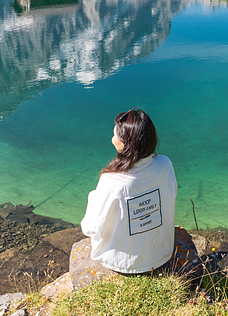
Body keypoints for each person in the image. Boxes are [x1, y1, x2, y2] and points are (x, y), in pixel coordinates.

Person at [81, 108, 201, 281]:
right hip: (162, 252)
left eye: (115, 135)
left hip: (122, 262)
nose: (112, 139)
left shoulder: (112, 181)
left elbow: (92, 227)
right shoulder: (164, 164)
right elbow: (172, 194)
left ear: (124, 144)